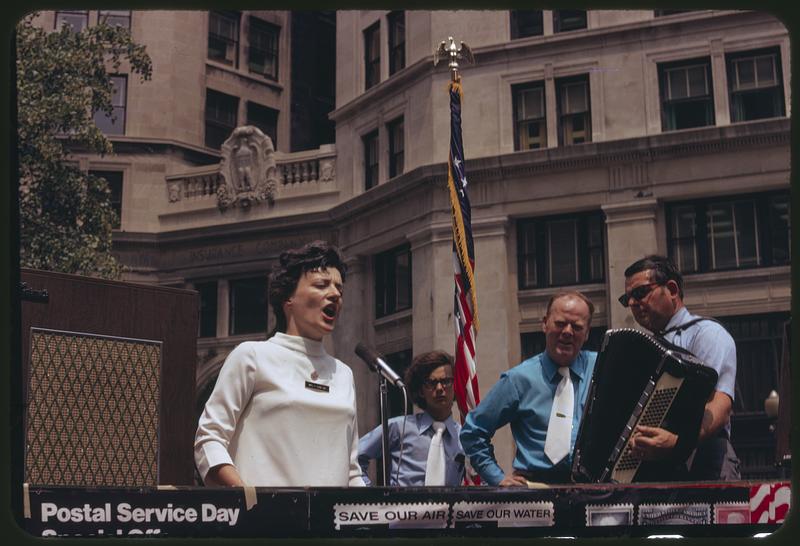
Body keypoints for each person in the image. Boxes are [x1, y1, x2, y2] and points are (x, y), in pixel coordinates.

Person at [194, 241, 365, 487]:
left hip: (329, 523)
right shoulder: (251, 356)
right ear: (288, 298)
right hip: (264, 522)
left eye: (340, 288)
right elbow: (208, 439)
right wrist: (246, 499)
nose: (336, 294)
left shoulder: (344, 374)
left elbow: (352, 471)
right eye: (321, 285)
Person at [620, 255, 740, 480]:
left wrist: (679, 443)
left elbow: (720, 406)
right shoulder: (643, 348)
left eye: (640, 293)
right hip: (655, 470)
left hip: (704, 461)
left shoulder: (707, 334)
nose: (633, 304)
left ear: (672, 289)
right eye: (627, 299)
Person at [460, 291, 597, 486]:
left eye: (577, 326)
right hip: (535, 493)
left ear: (587, 333)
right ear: (544, 323)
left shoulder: (602, 369)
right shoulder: (518, 379)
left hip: (594, 491)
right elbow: (473, 432)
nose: (567, 331)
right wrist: (497, 478)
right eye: (560, 323)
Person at [357, 351, 465, 486]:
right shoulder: (398, 427)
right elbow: (354, 457)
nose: (439, 388)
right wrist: (371, 498)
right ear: (421, 391)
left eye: (446, 381)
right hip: (402, 506)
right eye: (431, 383)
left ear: (456, 386)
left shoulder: (464, 437)